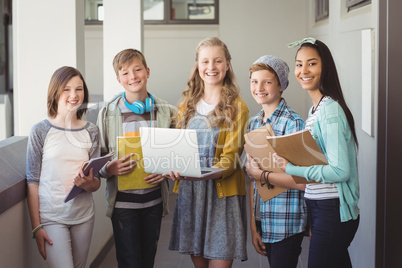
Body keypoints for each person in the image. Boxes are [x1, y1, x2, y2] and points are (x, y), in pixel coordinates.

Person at [273, 37, 360, 268]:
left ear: (325, 67)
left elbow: (340, 171)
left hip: (332, 210)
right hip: (320, 207)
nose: (304, 70)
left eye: (312, 63)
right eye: (299, 64)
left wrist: (290, 168)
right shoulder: (316, 109)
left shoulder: (329, 110)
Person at [168, 37, 249, 268]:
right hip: (191, 196)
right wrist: (169, 167)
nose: (211, 67)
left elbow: (231, 160)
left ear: (228, 64)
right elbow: (178, 150)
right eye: (205, 61)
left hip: (222, 198)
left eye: (217, 61)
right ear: (197, 65)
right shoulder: (186, 105)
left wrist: (196, 173)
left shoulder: (238, 107)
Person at [96, 48, 176, 268]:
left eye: (137, 69)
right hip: (122, 205)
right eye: (125, 73)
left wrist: (166, 168)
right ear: (118, 79)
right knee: (130, 262)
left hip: (154, 203)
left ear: (147, 71)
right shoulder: (107, 113)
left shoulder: (165, 111)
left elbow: (176, 156)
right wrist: (108, 170)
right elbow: (98, 161)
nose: (132, 76)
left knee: (147, 260)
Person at [26, 66, 101, 268]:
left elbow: (96, 184)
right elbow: (32, 181)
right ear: (55, 92)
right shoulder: (40, 131)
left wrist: (88, 183)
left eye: (79, 89)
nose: (74, 95)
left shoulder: (92, 131)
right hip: (51, 217)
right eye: (66, 89)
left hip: (84, 216)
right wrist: (36, 226)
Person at [244, 55, 307, 268]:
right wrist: (254, 227)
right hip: (264, 221)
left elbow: (302, 181)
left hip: (285, 222)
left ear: (281, 86)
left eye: (267, 82)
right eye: (254, 81)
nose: (259, 87)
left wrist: (260, 174)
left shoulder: (293, 123)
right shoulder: (254, 123)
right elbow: (254, 182)